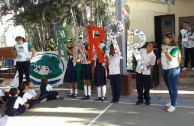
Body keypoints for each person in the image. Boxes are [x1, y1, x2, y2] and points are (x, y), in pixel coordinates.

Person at [157, 32, 181, 112]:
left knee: (173, 87)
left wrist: (164, 50)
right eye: (164, 38)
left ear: (170, 39)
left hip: (173, 69)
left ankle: (173, 105)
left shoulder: (175, 48)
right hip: (165, 69)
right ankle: (172, 101)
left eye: (166, 38)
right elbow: (164, 56)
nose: (164, 39)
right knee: (169, 87)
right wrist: (160, 60)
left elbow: (170, 59)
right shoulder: (166, 46)